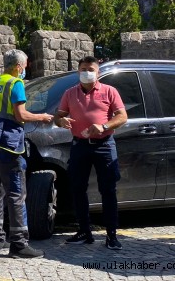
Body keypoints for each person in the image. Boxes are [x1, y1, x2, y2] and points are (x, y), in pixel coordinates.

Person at [0, 49, 53, 258]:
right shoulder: (16, 84)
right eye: (25, 66)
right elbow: (21, 115)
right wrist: (42, 117)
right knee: (17, 194)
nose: (25, 69)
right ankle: (18, 244)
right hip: (9, 144)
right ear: (18, 66)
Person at [55, 55, 128, 250]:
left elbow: (122, 117)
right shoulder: (70, 93)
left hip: (104, 144)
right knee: (77, 188)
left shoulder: (109, 91)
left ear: (98, 73)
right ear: (78, 72)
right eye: (83, 69)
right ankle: (84, 231)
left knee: (108, 189)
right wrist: (61, 121)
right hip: (80, 144)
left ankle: (111, 235)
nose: (87, 73)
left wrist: (103, 126)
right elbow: (59, 116)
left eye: (91, 69)